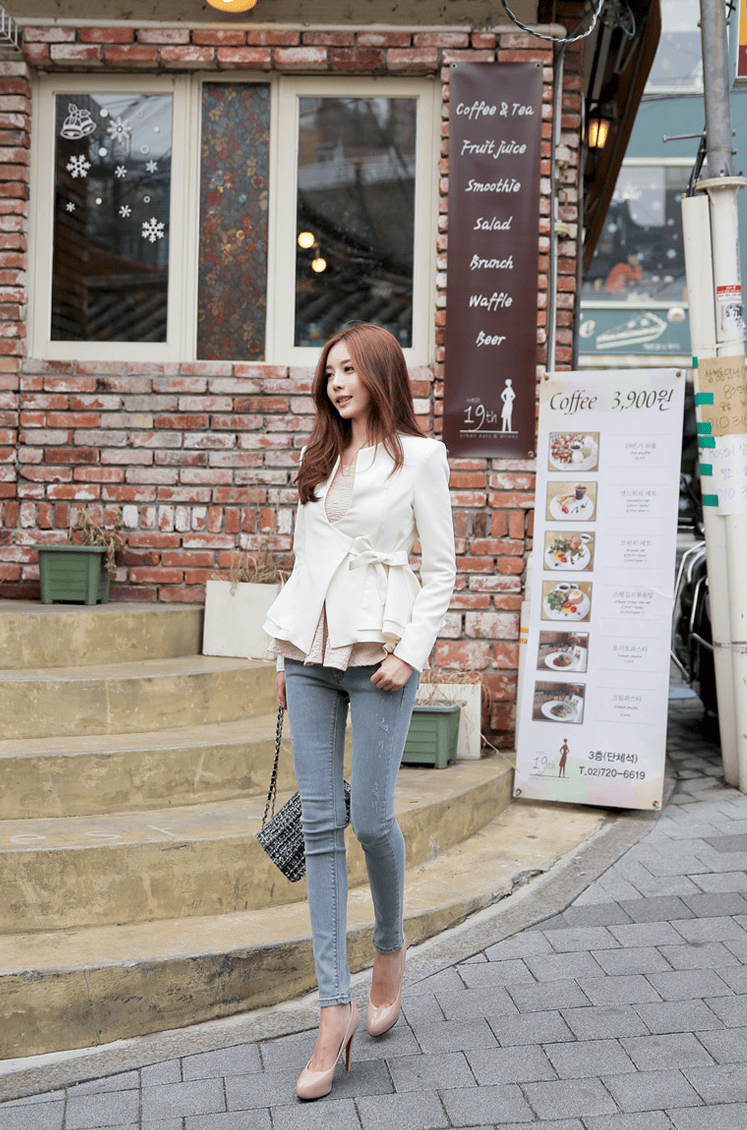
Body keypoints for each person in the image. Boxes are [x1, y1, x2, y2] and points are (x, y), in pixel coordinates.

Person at [264, 322, 456, 1101]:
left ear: (380, 374)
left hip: (380, 655)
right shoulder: (319, 459)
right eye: (329, 372)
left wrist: (411, 651)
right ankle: (332, 1008)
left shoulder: (421, 458)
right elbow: (303, 565)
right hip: (308, 658)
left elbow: (442, 569)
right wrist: (282, 658)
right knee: (319, 827)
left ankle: (389, 948)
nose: (337, 383)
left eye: (349, 369)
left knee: (371, 820)